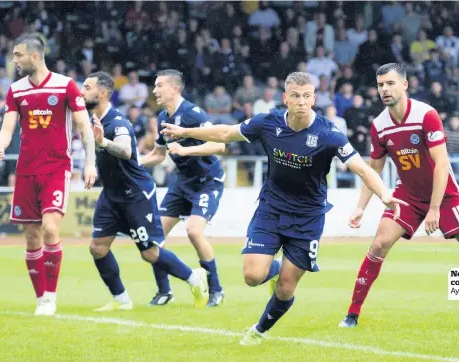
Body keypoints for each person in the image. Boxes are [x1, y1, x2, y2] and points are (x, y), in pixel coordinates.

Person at [160, 72, 407, 345]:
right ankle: (275, 268)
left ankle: (259, 330)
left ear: (314, 98)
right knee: (252, 276)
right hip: (271, 209)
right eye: (295, 96)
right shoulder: (268, 122)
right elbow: (225, 133)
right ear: (285, 98)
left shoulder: (329, 134)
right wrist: (185, 132)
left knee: (287, 288)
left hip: (308, 217)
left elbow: (362, 168)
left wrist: (384, 193)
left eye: (306, 96)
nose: (301, 101)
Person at [339, 63, 459, 328]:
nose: (384, 89)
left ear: (405, 84)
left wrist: (435, 208)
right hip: (408, 195)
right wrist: (360, 207)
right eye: (380, 85)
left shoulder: (427, 115)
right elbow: (373, 170)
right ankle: (352, 315)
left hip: (444, 194)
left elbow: (442, 164)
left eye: (390, 83)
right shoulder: (379, 125)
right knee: (379, 243)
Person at [80, 72, 209, 311]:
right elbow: (91, 145)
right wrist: (90, 165)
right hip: (111, 194)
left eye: (87, 88)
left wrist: (104, 143)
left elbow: (127, 151)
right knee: (97, 247)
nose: (82, 91)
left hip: (134, 194)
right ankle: (122, 300)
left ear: (103, 93)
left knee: (149, 253)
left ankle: (194, 278)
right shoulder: (90, 120)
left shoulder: (118, 122)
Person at [0, 33, 97, 316]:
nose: (14, 60)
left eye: (18, 55)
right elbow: (7, 128)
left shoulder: (66, 86)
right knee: (31, 236)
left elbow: (84, 127)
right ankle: (40, 298)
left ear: (34, 57)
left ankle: (50, 295)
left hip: (56, 168)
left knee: (50, 228)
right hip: (26, 170)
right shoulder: (16, 90)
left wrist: (89, 164)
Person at [141, 69, 226, 307]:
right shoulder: (162, 118)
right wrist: (133, 161)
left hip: (208, 181)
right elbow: (158, 155)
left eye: (159, 86)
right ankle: (164, 291)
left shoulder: (192, 113)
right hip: (183, 183)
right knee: (152, 239)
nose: (155, 90)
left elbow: (219, 146)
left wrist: (186, 150)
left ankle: (216, 290)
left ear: (174, 89)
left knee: (194, 231)